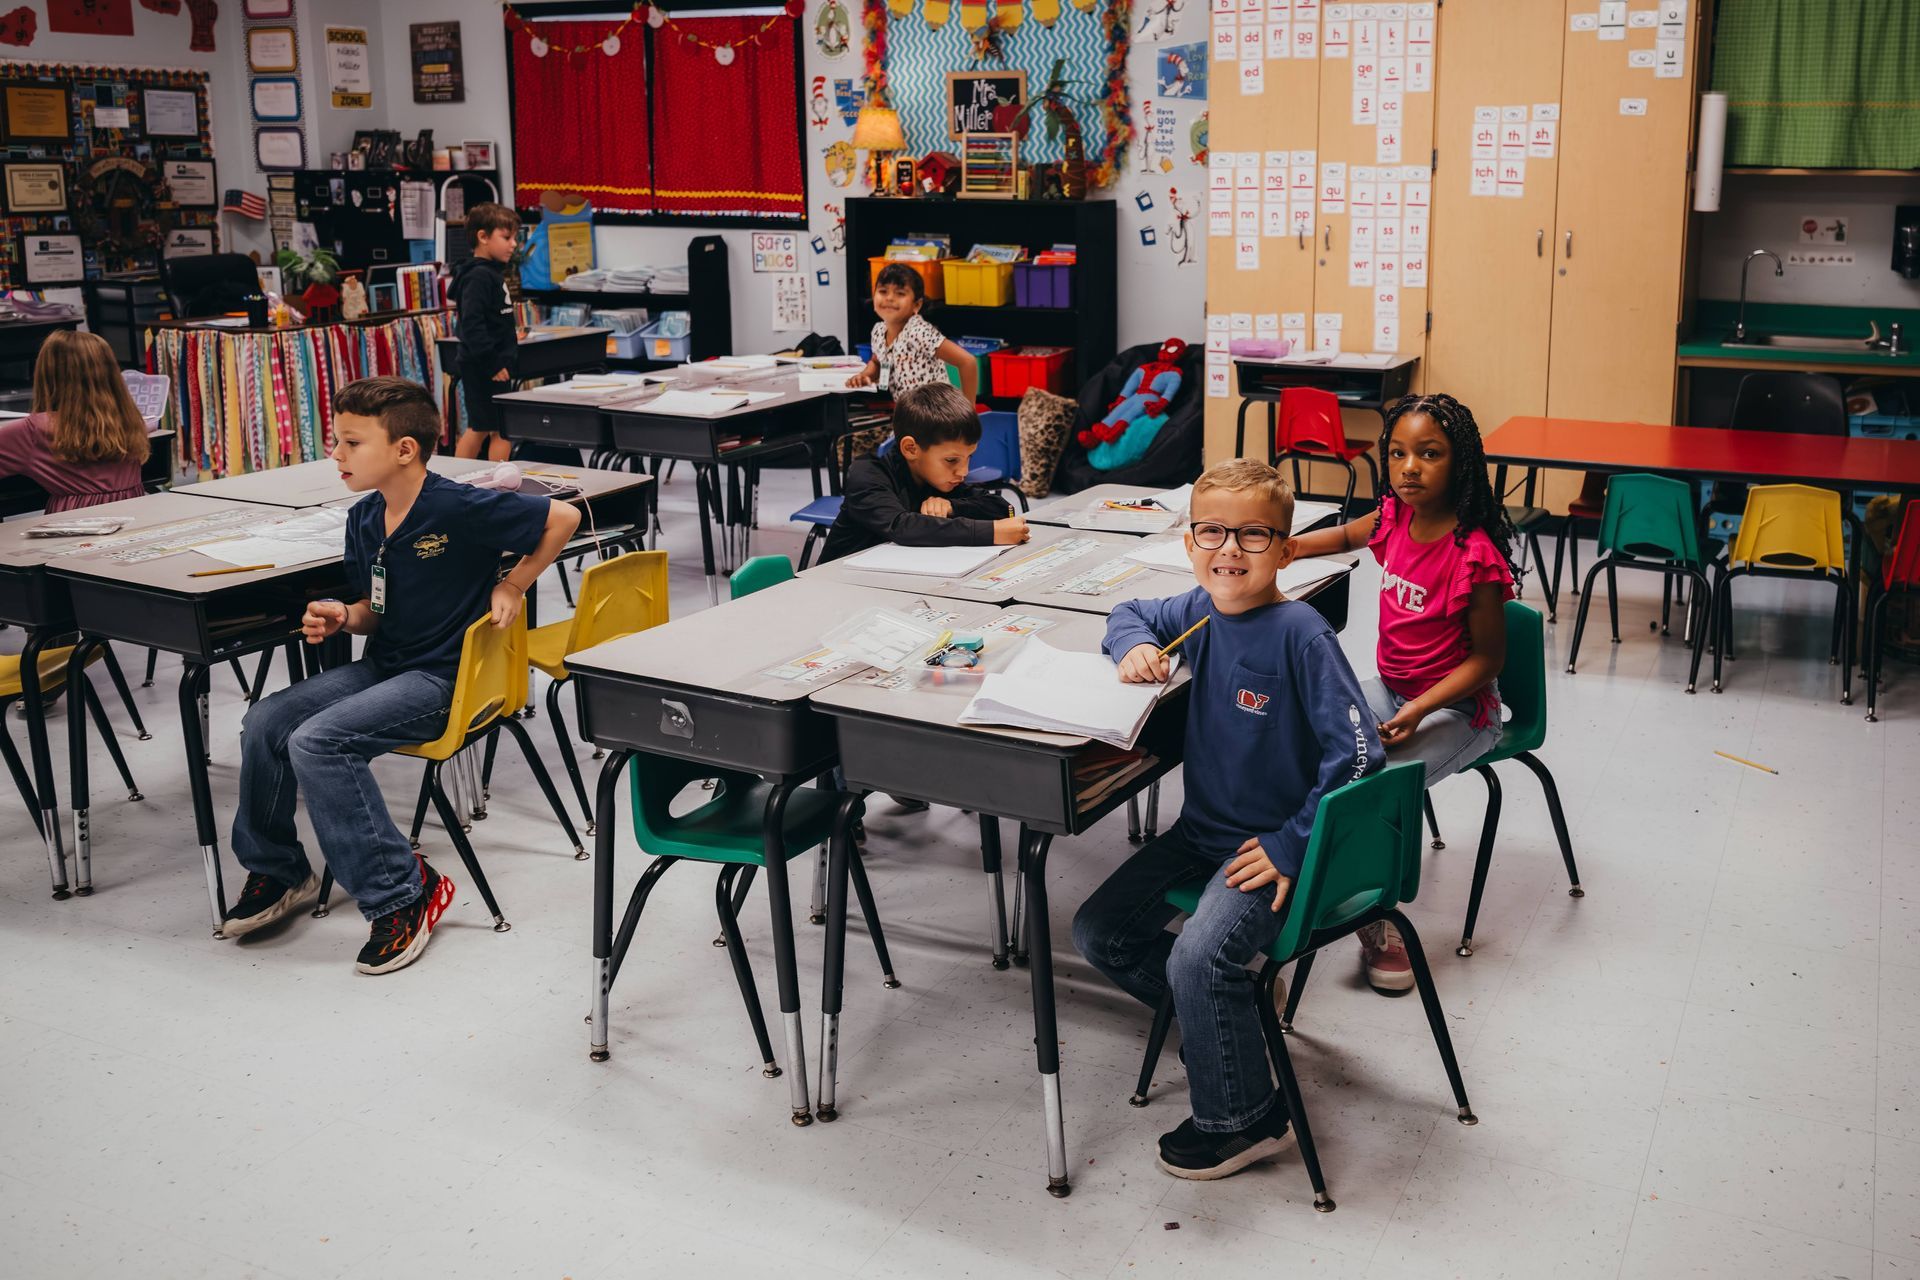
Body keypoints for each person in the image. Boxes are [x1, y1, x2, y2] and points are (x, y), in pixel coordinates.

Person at [1074, 458, 1381, 1181]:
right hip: (1202, 835)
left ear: (1284, 547)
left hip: (1271, 853)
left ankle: (1243, 1118)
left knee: (1196, 956)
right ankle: (1230, 1017)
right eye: (1211, 532)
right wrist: (1136, 645)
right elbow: (1128, 614)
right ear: (1189, 542)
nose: (1228, 550)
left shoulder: (1300, 633)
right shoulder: (1202, 609)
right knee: (1099, 933)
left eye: (1252, 535)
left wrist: (1290, 844)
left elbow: (1361, 752)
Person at [222, 376, 581, 975]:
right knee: (266, 719)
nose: (335, 455)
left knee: (319, 740)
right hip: (387, 666)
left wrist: (512, 582)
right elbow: (374, 609)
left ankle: (404, 892)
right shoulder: (364, 518)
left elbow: (564, 517)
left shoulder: (457, 505)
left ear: (404, 450)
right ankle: (281, 870)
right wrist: (344, 616)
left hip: (445, 680)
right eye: (336, 442)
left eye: (351, 443)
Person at [1292, 392, 1518, 994]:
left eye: (1429, 453)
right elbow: (1345, 535)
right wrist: (1290, 547)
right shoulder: (1394, 517)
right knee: (1316, 748)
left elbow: (1489, 659)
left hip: (1461, 712)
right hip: (1394, 692)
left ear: (1460, 464)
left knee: (1367, 785)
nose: (1409, 467)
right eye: (1397, 453)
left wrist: (1420, 709)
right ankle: (1312, 878)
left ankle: (1376, 922)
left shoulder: (1474, 556)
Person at [820, 382, 1028, 563]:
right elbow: (902, 527)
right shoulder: (867, 474)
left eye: (969, 458)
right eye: (951, 460)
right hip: (833, 587)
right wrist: (989, 533)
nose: (963, 472)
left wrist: (951, 506)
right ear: (911, 449)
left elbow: (1002, 508)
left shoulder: (936, 479)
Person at [841, 262, 977, 463]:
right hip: (910, 417)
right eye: (883, 291)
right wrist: (867, 375)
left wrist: (968, 412)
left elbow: (968, 362)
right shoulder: (878, 331)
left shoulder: (919, 331)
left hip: (937, 416)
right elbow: (878, 360)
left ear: (917, 305)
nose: (889, 298)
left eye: (900, 293)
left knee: (900, 465)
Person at [0, 330, 149, 511]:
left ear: (48, 374)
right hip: (136, 516)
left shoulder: (33, 431)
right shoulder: (131, 420)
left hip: (75, 525)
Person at [450, 202, 523, 464]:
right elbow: (471, 325)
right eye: (506, 237)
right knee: (494, 428)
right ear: (483, 237)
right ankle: (488, 481)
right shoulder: (478, 276)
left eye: (514, 237)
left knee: (490, 427)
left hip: (493, 363)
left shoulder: (490, 273)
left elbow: (493, 320)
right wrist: (492, 362)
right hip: (483, 366)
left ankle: (488, 481)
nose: (513, 244)